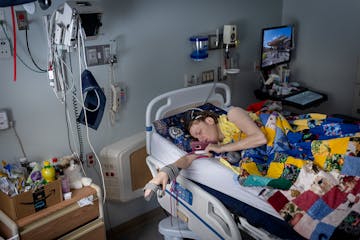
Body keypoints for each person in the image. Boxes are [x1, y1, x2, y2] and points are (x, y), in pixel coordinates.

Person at [143, 106, 267, 200]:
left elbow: (260, 138)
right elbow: (187, 159)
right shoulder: (213, 146)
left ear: (209, 121)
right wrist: (165, 173)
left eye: (199, 132)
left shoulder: (233, 114)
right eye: (197, 138)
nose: (201, 139)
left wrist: (222, 148)